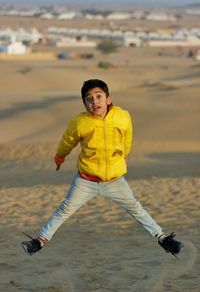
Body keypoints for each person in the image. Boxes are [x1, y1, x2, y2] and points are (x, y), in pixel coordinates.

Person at [21, 79, 184, 257]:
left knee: (136, 208)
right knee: (64, 209)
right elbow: (67, 141)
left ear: (108, 99)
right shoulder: (80, 122)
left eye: (99, 97)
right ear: (84, 103)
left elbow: (127, 138)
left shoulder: (123, 116)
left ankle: (163, 239)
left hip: (115, 180)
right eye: (89, 99)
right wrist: (60, 157)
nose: (94, 102)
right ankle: (39, 242)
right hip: (86, 179)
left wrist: (123, 155)